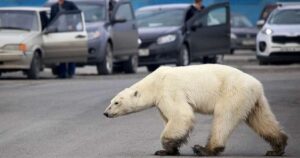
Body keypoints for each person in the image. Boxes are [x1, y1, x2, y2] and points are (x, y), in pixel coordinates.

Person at [50, 0, 79, 78]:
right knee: (61, 53)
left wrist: (73, 24)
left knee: (71, 52)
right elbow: (52, 20)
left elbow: (78, 13)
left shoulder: (70, 4)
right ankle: (62, 73)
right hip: (58, 32)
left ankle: (71, 72)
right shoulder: (54, 7)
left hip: (69, 32)